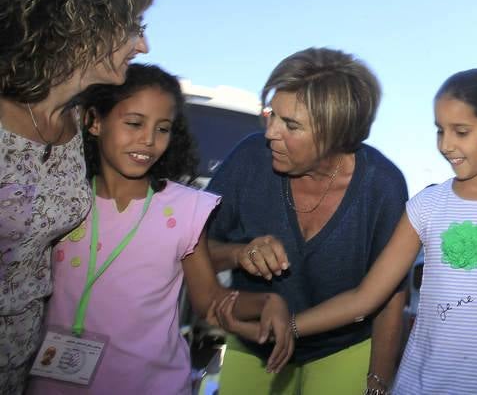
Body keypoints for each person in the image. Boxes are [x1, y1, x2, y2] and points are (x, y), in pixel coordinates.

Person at [215, 68, 477, 394]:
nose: (446, 145)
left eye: (460, 132)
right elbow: (367, 297)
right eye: (440, 130)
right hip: (418, 385)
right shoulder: (426, 205)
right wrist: (288, 327)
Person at [25, 64, 293, 395]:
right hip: (54, 384)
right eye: (134, 123)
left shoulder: (186, 210)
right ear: (94, 121)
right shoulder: (61, 201)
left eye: (163, 129)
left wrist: (267, 302)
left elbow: (210, 301)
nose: (149, 140)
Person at [206, 47, 408, 395]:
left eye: (291, 125)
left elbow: (390, 297)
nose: (270, 133)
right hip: (256, 342)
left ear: (336, 133)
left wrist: (378, 380)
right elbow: (193, 250)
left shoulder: (383, 187)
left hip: (343, 347)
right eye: (272, 115)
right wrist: (239, 254)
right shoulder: (248, 160)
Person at [0, 0, 156, 393]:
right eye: (134, 28)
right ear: (82, 22)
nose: (143, 45)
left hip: (20, 352)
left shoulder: (78, 121)